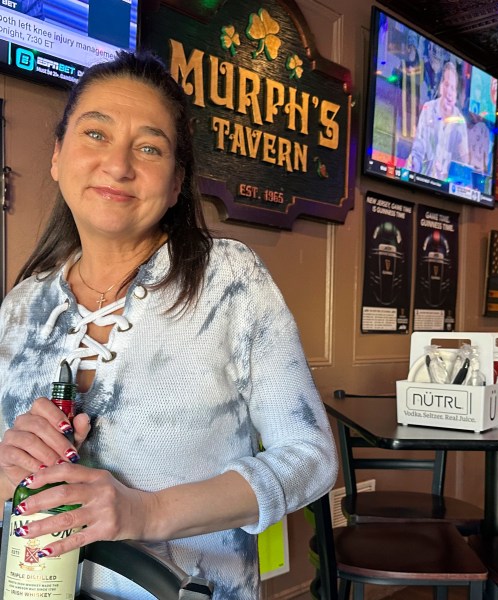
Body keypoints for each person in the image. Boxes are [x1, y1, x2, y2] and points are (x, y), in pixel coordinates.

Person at [0, 51, 337, 600]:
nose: (119, 165)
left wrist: (147, 511)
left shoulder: (230, 280)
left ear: (177, 182)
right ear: (58, 155)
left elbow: (313, 458)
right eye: (95, 134)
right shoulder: (19, 307)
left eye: (149, 147)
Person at [406, 61, 469, 181]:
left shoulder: (460, 122)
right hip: (422, 181)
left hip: (446, 189)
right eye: (446, 85)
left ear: (456, 94)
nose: (449, 92)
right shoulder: (428, 108)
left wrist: (447, 177)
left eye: (453, 88)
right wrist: (415, 165)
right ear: (440, 86)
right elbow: (419, 145)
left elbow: (463, 163)